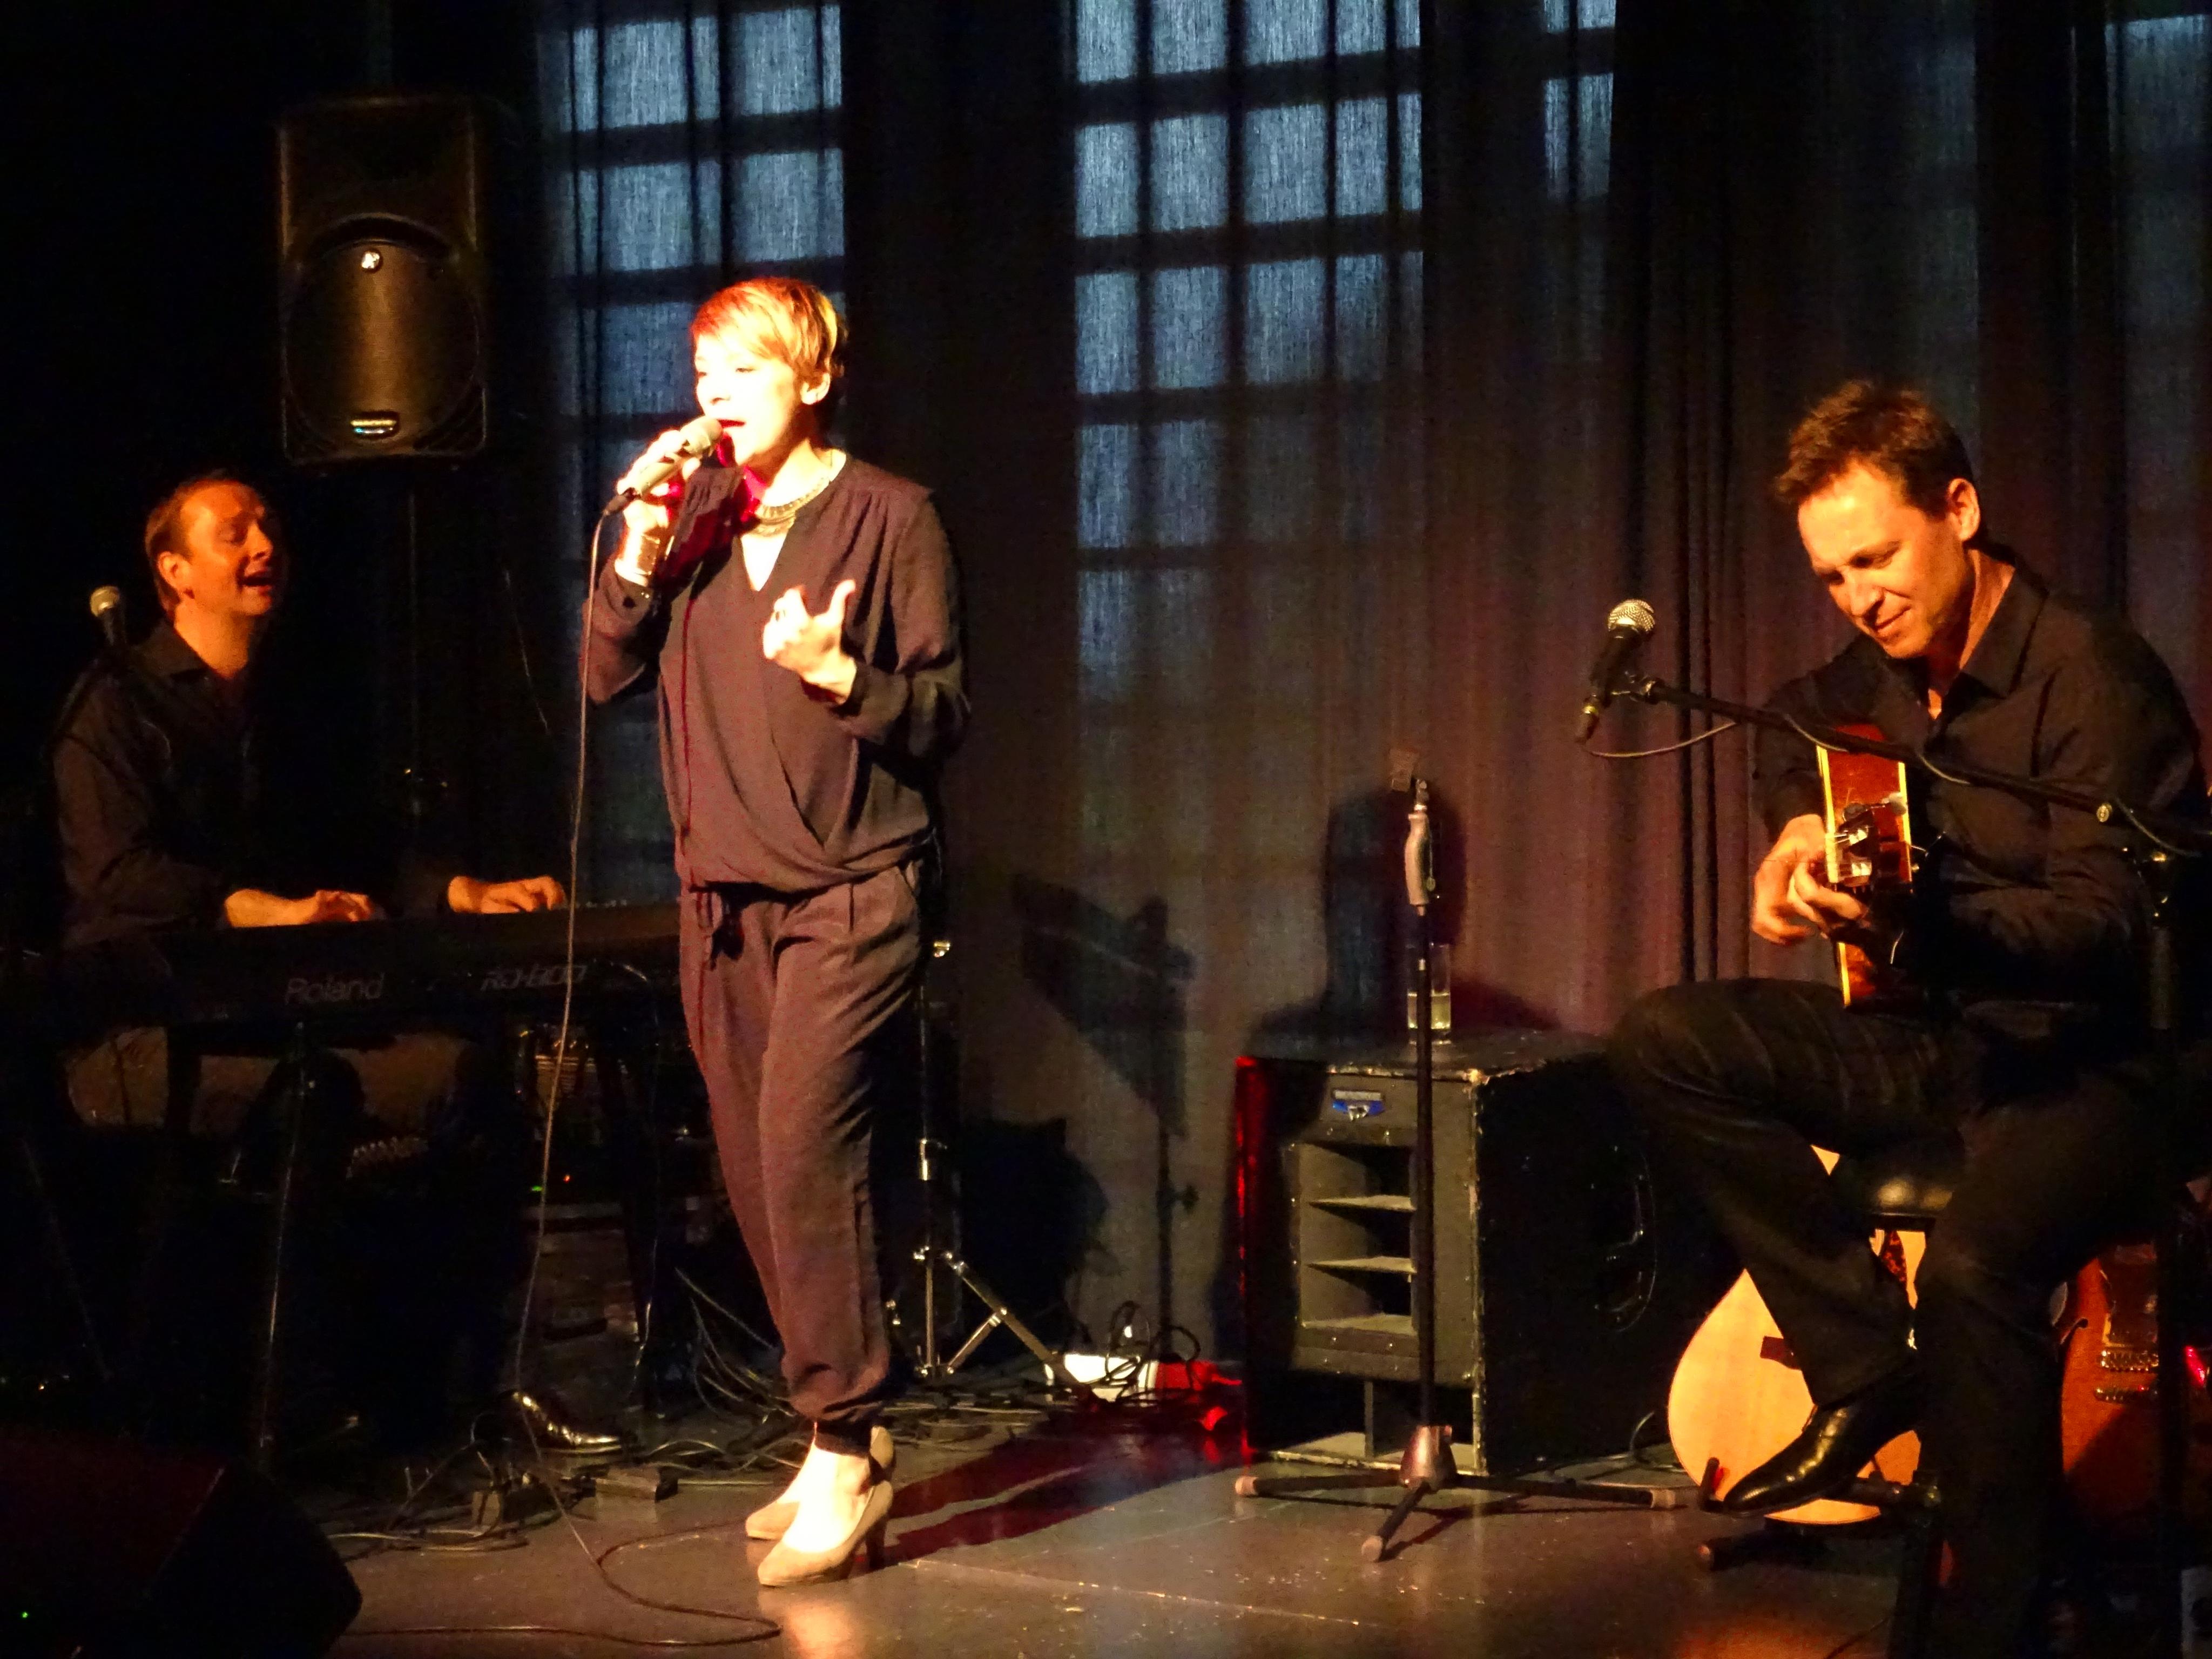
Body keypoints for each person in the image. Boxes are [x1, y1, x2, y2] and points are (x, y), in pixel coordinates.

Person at [1607, 381, 2206, 1656]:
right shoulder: (1878, 669)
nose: (1858, 597)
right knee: (1668, 1038)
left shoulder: (2091, 676)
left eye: (1875, 559)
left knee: (1976, 1265)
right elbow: (1790, 727)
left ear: (1959, 511)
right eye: (1831, 577)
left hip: (2109, 1059)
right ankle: (1863, 1365)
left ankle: (1993, 1618)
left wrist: (1918, 923)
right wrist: (1796, 832)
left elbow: (2107, 927)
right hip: (1955, 1036)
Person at [53, 471, 589, 1449]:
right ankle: (286, 1410)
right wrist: (255, 910)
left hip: (271, 1028)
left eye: (268, 526)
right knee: (322, 1091)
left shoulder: (287, 705)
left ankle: (456, 1388)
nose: (264, 544)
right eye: (233, 533)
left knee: (467, 1074)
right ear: (174, 573)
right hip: (137, 1041)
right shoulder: (113, 707)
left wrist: (459, 893)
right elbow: (115, 875)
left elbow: (361, 842)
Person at [585, 275, 966, 1587]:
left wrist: (839, 673)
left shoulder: (890, 516)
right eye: (703, 377)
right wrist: (635, 552)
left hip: (853, 891)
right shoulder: (692, 519)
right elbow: (604, 672)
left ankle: (849, 1442)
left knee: (806, 1151)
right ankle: (827, 1433)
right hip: (722, 903)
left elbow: (944, 714)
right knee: (751, 1166)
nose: (715, 398)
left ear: (811, 378)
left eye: (742, 373)